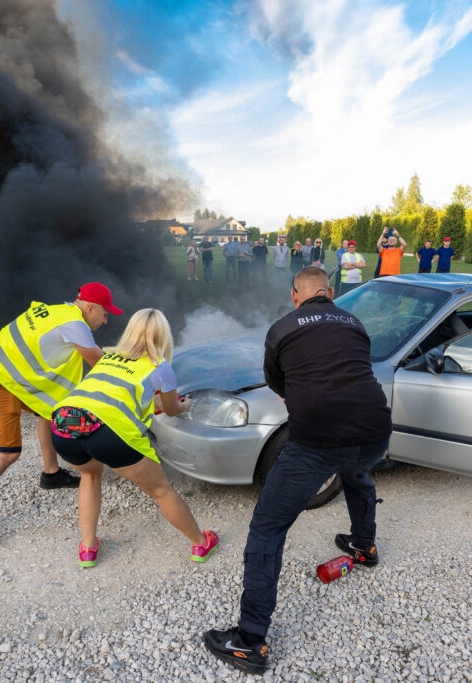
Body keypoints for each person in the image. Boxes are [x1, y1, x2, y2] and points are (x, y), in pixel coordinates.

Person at [204, 267, 391, 674]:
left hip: (316, 441)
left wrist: (299, 394)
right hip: (377, 431)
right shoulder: (354, 322)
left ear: (295, 296)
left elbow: (277, 381)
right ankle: (365, 546)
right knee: (356, 469)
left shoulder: (283, 327)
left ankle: (250, 640)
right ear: (332, 293)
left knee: (267, 528)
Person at [0, 283, 117, 551]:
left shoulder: (60, 311)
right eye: (105, 314)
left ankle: (51, 474)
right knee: (6, 452)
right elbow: (99, 363)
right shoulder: (75, 325)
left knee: (48, 410)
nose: (105, 320)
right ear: (91, 307)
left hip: (5, 373)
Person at [50, 309, 218, 567]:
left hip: (65, 424)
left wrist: (153, 403)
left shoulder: (107, 355)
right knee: (161, 490)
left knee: (91, 474)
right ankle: (200, 542)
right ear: (163, 335)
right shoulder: (159, 366)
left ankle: (88, 548)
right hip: (109, 432)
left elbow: (116, 393)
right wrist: (184, 405)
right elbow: (172, 410)